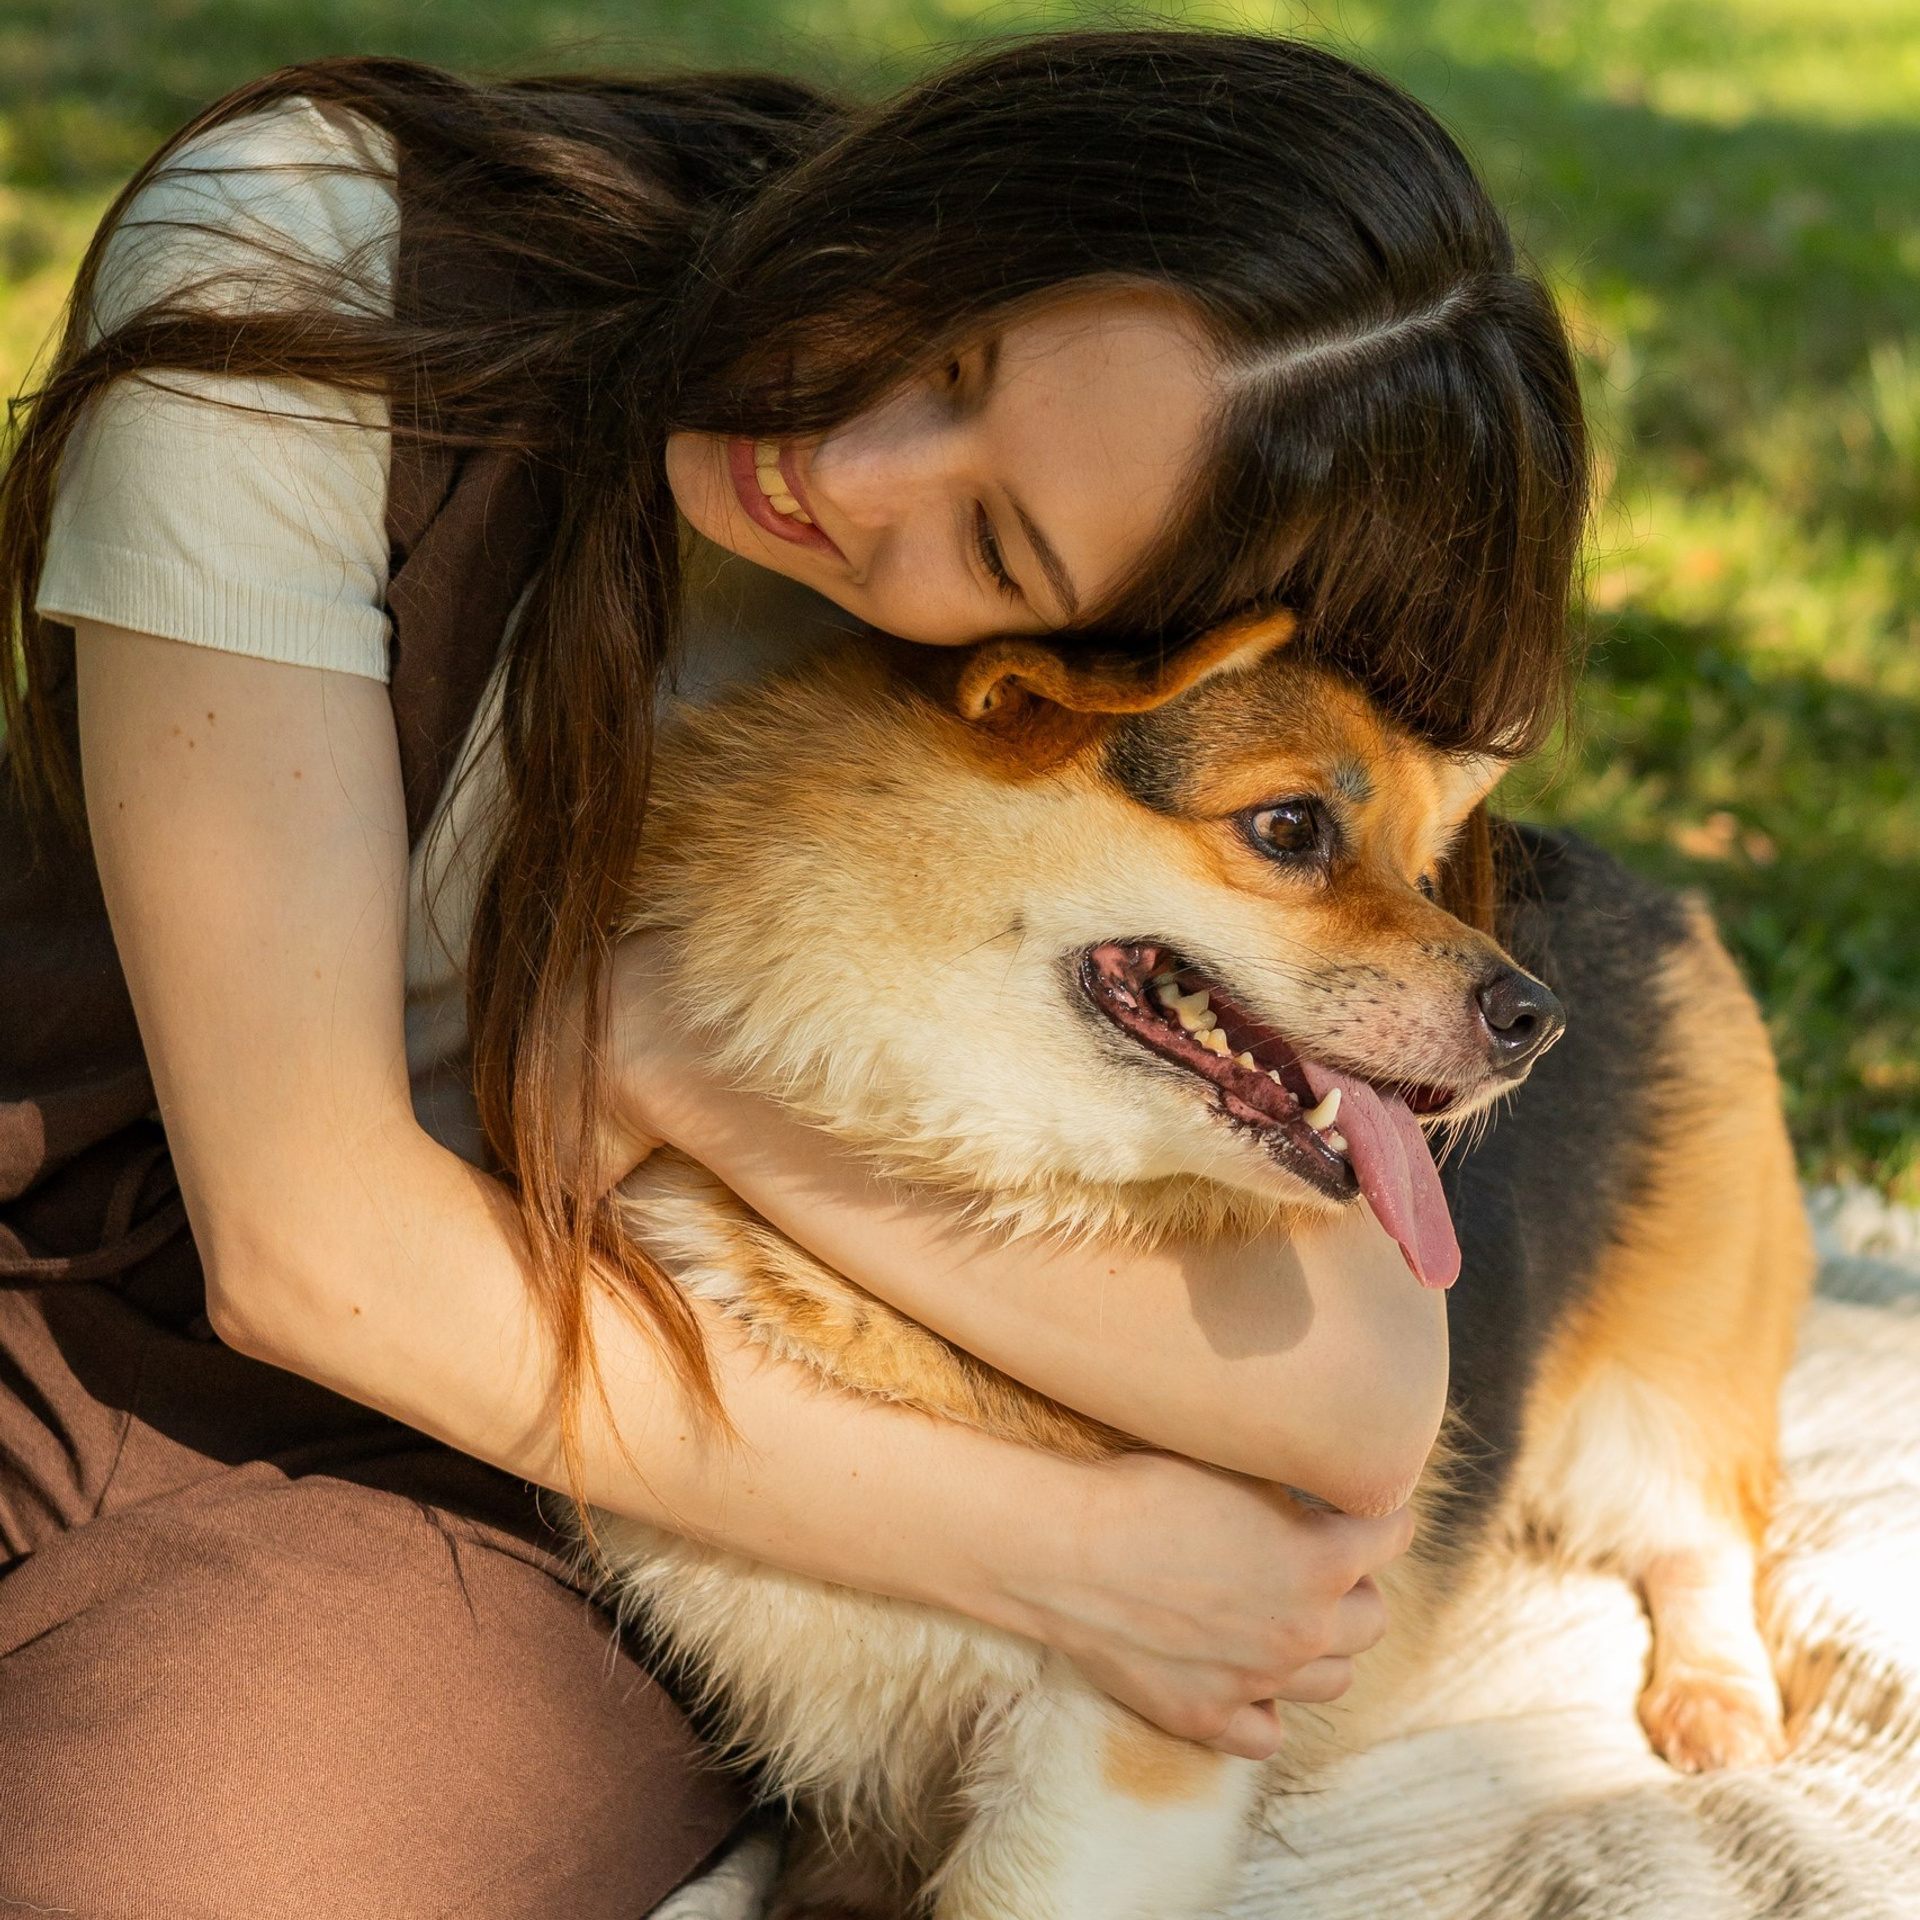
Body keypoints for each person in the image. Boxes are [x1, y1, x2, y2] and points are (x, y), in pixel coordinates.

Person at [0, 29, 1587, 1918]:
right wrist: (1073, 1552)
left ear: (1130, 646)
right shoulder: (316, 256)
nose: (842, 466)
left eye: (995, 539)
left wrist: (673, 1057)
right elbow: (309, 1250)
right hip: (86, 1246)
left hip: (543, 1467)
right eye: (947, 347)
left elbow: (1360, 1400)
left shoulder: (1043, 743)